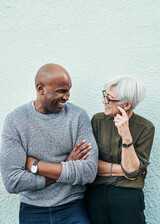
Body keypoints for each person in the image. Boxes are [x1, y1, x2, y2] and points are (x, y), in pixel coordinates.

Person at [0, 63, 98, 224]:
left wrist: (37, 166)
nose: (67, 97)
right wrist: (67, 164)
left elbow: (89, 171)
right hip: (32, 210)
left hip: (72, 207)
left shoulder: (78, 116)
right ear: (41, 89)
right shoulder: (15, 121)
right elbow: (13, 181)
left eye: (68, 91)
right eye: (62, 91)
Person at [85, 76, 155, 224]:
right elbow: (90, 165)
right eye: (105, 95)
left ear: (127, 105)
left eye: (110, 99)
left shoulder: (146, 128)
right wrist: (127, 171)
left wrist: (126, 135)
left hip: (128, 198)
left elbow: (131, 170)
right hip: (97, 195)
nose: (104, 101)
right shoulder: (98, 121)